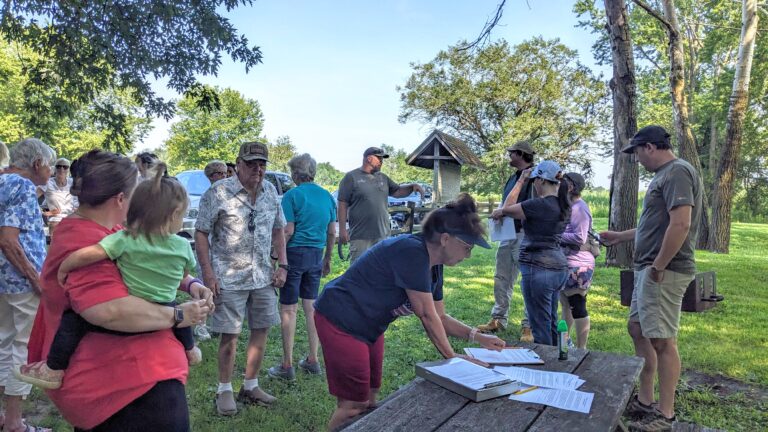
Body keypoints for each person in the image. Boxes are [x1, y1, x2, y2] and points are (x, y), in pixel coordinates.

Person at [24, 149, 212, 431]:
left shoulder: (111, 231)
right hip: (123, 388)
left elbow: (148, 259)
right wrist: (179, 316)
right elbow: (107, 310)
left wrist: (191, 283)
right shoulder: (82, 237)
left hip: (130, 381)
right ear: (121, 198)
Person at [314, 193, 506, 430]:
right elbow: (426, 315)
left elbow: (440, 316)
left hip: (369, 326)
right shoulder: (411, 251)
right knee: (353, 405)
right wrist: (452, 357)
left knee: (371, 399)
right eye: (467, 247)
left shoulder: (434, 266)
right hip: (340, 320)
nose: (469, 255)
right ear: (446, 239)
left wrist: (477, 336)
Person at [600, 125, 702, 431]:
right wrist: (619, 236)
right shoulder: (664, 176)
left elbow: (680, 224)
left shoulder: (677, 172)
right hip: (649, 269)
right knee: (637, 328)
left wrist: (659, 265)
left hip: (664, 271)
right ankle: (645, 401)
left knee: (662, 340)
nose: (637, 161)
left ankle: (665, 415)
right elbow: (654, 226)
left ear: (649, 147)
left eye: (637, 154)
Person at [195, 141, 288, 416]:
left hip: (262, 275)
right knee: (230, 334)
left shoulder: (270, 191)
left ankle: (250, 385)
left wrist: (283, 265)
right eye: (251, 164)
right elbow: (201, 232)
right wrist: (208, 273)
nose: (258, 170)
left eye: (262, 164)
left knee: (262, 329)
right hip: (228, 276)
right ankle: (224, 389)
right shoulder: (218, 192)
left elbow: (279, 230)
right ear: (238, 164)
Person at [0, 138, 56, 432]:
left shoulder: (1, 182)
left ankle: (3, 417)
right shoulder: (22, 186)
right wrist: (37, 281)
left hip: (2, 282)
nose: (49, 172)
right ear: (37, 164)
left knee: (3, 343)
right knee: (20, 348)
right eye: (49, 165)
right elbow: (8, 240)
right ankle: (14, 423)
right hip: (20, 282)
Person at [267, 153, 336, 381]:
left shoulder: (292, 195)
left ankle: (286, 365)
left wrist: (275, 256)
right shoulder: (327, 196)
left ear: (296, 174)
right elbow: (332, 231)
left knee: (288, 309)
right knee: (311, 307)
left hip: (295, 254)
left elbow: (288, 230)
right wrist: (327, 258)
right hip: (316, 255)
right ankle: (313, 359)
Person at [491, 160, 570, 346]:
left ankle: (545, 367)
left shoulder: (537, 205)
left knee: (539, 326)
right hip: (559, 268)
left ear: (541, 181)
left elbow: (506, 208)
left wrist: (521, 181)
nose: (533, 183)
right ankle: (557, 359)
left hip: (538, 268)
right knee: (550, 320)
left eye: (535, 180)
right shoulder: (564, 205)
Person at [478, 140, 535, 342]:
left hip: (524, 235)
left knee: (528, 282)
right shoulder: (513, 177)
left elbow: (532, 208)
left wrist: (506, 211)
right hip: (506, 234)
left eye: (511, 153)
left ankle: (529, 326)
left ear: (521, 154)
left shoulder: (534, 177)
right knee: (501, 278)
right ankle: (498, 319)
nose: (509, 156)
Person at [337, 147, 424, 262]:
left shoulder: (383, 177)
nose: (381, 161)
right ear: (368, 158)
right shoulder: (351, 177)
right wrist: (343, 230)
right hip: (361, 237)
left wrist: (412, 186)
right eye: (378, 158)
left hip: (383, 235)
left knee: (380, 271)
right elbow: (342, 203)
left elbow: (397, 191)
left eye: (382, 158)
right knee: (359, 273)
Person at [558, 172, 595, 349]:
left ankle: (582, 349)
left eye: (561, 183)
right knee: (566, 304)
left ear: (570, 187)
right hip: (568, 262)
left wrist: (555, 234)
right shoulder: (571, 207)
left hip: (578, 264)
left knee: (577, 305)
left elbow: (580, 237)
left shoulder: (580, 208)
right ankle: (565, 342)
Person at [41, 158, 78, 236]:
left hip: (72, 216)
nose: (61, 169)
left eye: (65, 167)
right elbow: (32, 196)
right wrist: (45, 213)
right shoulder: (47, 183)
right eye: (58, 166)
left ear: (68, 169)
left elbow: (78, 201)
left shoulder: (72, 182)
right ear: (54, 168)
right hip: (55, 218)